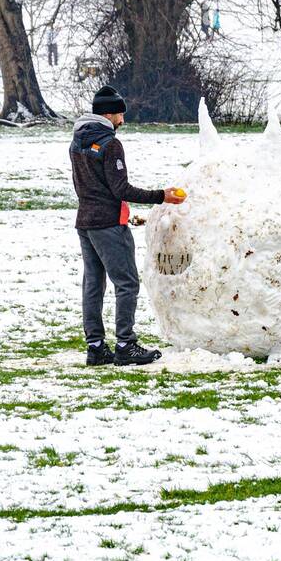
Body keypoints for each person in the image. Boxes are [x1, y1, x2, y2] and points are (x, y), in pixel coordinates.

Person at [70, 86, 185, 366]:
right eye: (120, 113)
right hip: (109, 223)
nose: (122, 120)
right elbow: (121, 189)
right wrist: (161, 196)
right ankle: (125, 344)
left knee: (93, 285)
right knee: (127, 283)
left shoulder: (77, 141)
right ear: (108, 113)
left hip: (85, 220)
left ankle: (96, 347)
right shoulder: (110, 144)